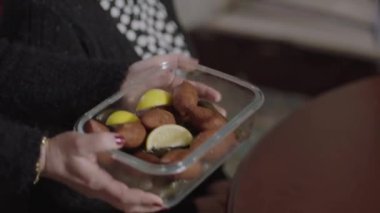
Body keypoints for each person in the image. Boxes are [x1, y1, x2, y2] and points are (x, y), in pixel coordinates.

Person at [0, 0, 228, 212]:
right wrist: (41, 154)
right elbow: (64, 189)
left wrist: (213, 182)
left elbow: (186, 125)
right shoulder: (46, 16)